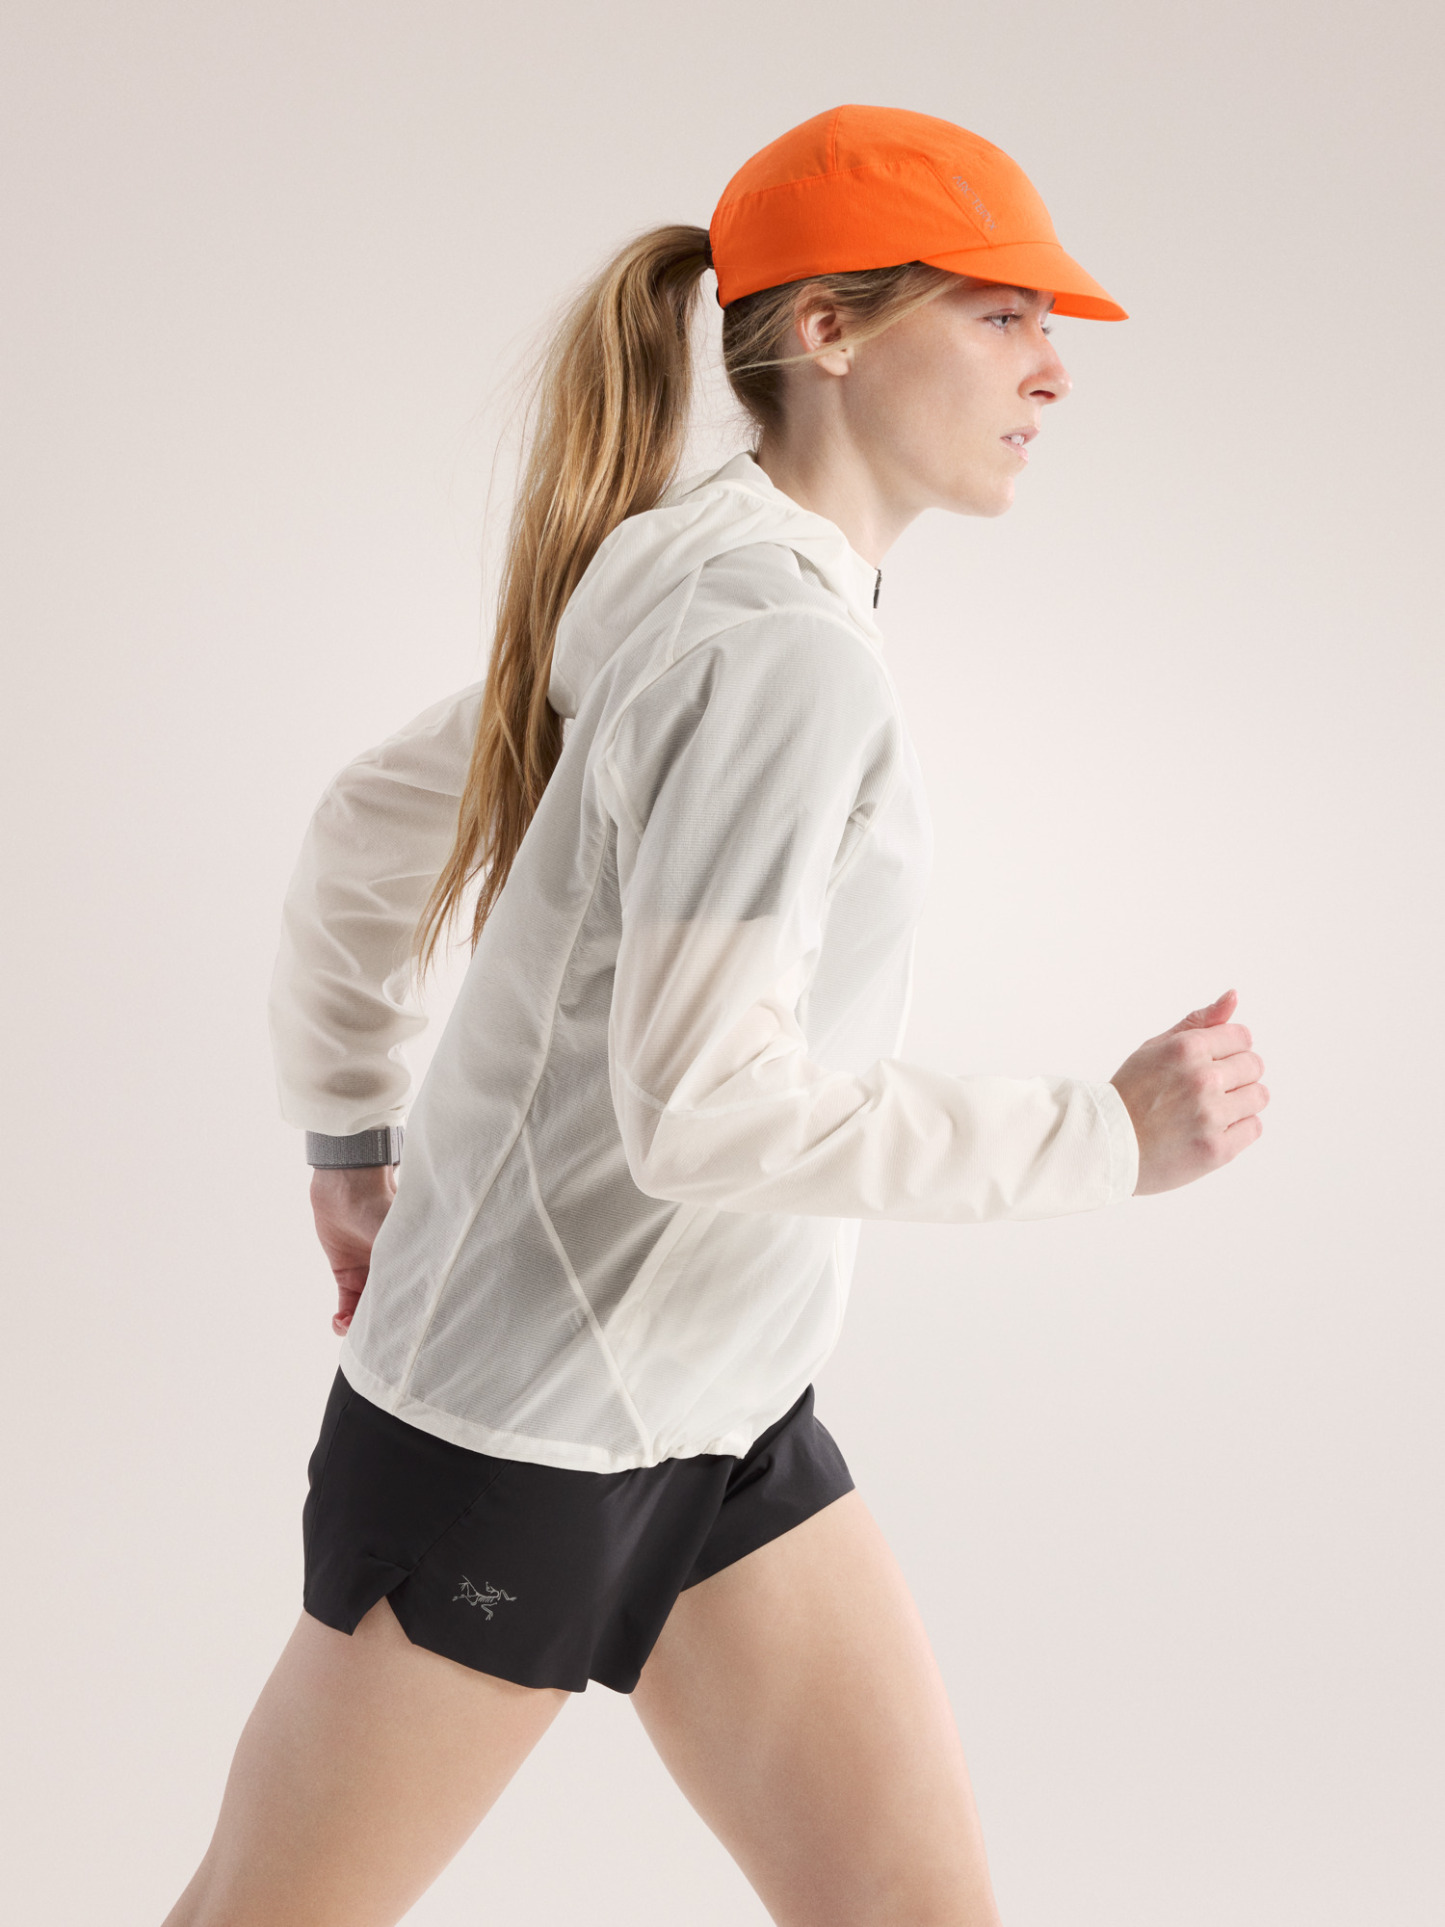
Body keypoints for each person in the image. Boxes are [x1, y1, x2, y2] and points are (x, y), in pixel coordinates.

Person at [163, 104, 1268, 1927]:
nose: (1052, 372)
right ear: (827, 330)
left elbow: (372, 820)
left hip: (719, 1408)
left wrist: (350, 1139)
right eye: (1000, 316)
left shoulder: (688, 564)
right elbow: (706, 1108)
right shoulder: (778, 647)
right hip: (521, 1437)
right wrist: (1104, 1135)